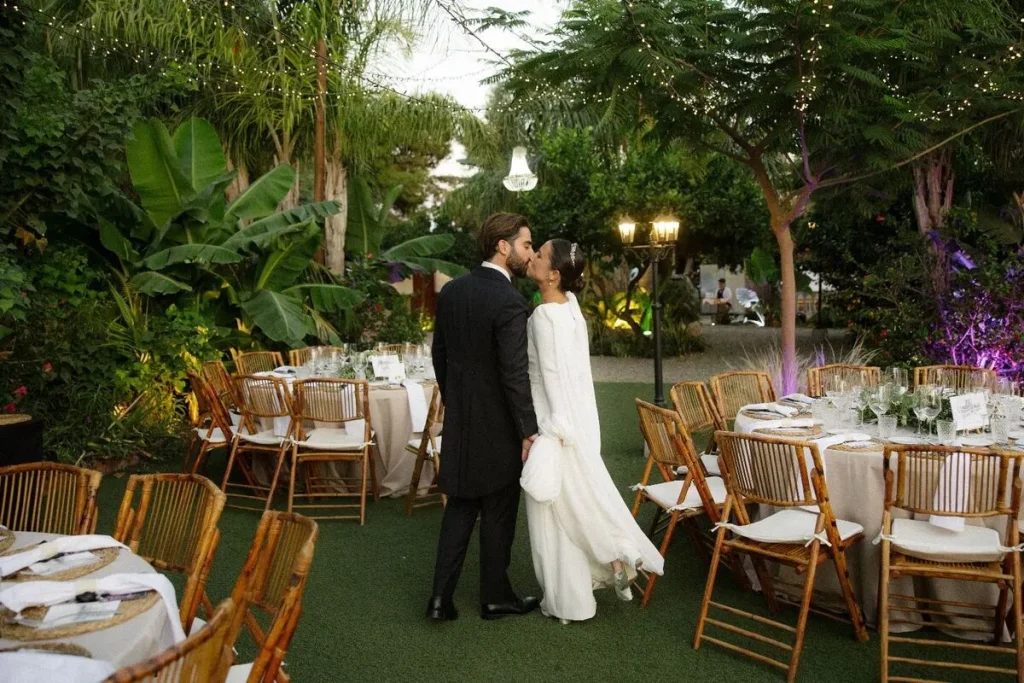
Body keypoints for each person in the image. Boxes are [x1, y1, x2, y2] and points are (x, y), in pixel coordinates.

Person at [523, 239, 665, 623]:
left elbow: (551, 375)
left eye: (539, 255)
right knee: (580, 499)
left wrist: (550, 432)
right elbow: (579, 375)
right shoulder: (571, 309)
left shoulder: (542, 317)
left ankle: (574, 596)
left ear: (553, 274)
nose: (531, 257)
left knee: (554, 512)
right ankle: (613, 556)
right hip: (580, 420)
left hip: (557, 423)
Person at [426, 213, 541, 622]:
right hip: (498, 428)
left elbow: (438, 355)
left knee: (459, 507)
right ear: (503, 246)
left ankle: (440, 599)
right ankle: (495, 598)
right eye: (527, 245)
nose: (530, 254)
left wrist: (457, 401)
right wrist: (528, 430)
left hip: (461, 421)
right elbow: (514, 374)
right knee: (498, 510)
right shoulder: (510, 301)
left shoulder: (453, 291)